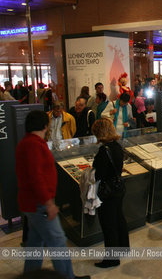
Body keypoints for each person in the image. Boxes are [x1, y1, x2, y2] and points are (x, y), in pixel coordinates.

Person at [15, 110, 90, 279]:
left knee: (35, 244)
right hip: (39, 204)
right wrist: (48, 203)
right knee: (58, 242)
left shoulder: (27, 143)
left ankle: (30, 275)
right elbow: (36, 177)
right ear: (45, 125)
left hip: (32, 203)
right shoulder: (33, 145)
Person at [91, 118, 129, 268]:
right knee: (119, 218)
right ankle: (123, 247)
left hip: (107, 191)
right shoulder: (117, 146)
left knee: (109, 224)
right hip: (118, 188)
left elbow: (98, 173)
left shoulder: (104, 150)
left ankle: (112, 258)